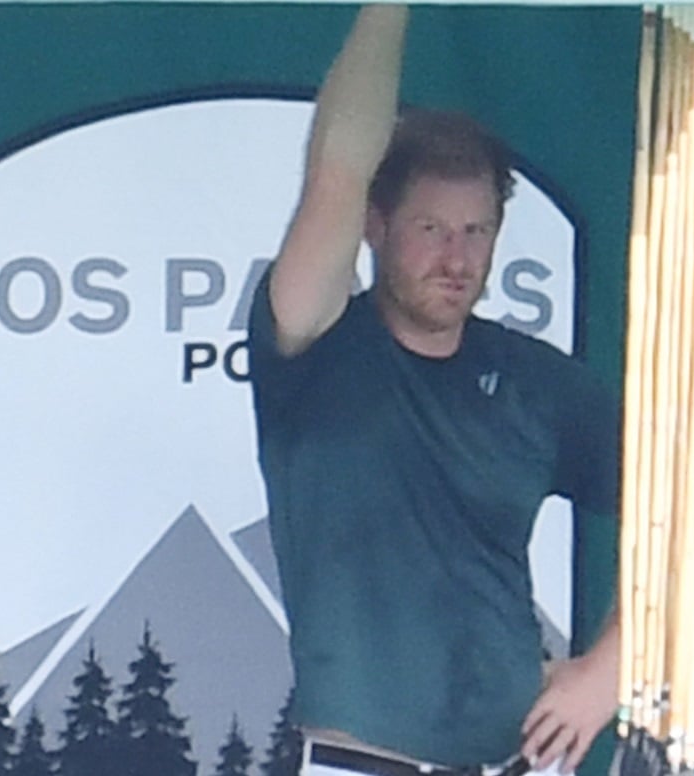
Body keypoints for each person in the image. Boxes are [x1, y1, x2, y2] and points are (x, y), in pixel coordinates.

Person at [247, 5, 621, 775]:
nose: (456, 257)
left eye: (476, 231)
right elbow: (336, 174)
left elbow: (679, 506)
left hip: (515, 762)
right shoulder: (316, 346)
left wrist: (611, 668)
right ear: (376, 226)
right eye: (431, 229)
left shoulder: (535, 382)